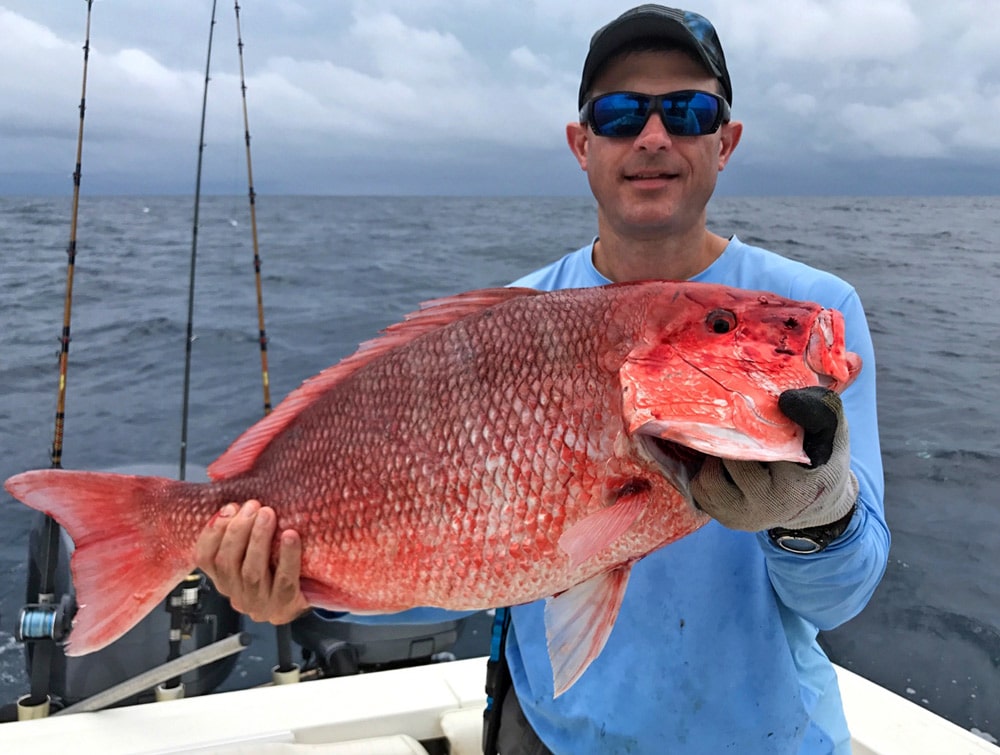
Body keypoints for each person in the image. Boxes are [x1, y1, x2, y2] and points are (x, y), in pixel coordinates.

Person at [194, 5, 888, 753]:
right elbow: (454, 570)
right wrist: (299, 587)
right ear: (581, 145)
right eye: (620, 114)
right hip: (551, 735)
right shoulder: (512, 323)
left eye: (688, 111)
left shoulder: (809, 314)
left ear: (727, 141)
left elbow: (841, 600)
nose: (654, 136)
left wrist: (817, 515)